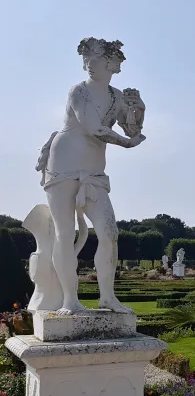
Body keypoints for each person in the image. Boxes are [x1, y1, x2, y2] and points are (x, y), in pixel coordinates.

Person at [37, 38, 146, 314]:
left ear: (111, 64)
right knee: (64, 233)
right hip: (62, 166)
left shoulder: (116, 96)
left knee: (109, 233)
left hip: (95, 173)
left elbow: (132, 129)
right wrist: (126, 143)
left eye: (94, 60)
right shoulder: (78, 92)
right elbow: (94, 128)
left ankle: (107, 297)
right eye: (86, 61)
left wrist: (138, 109)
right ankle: (70, 301)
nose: (88, 65)